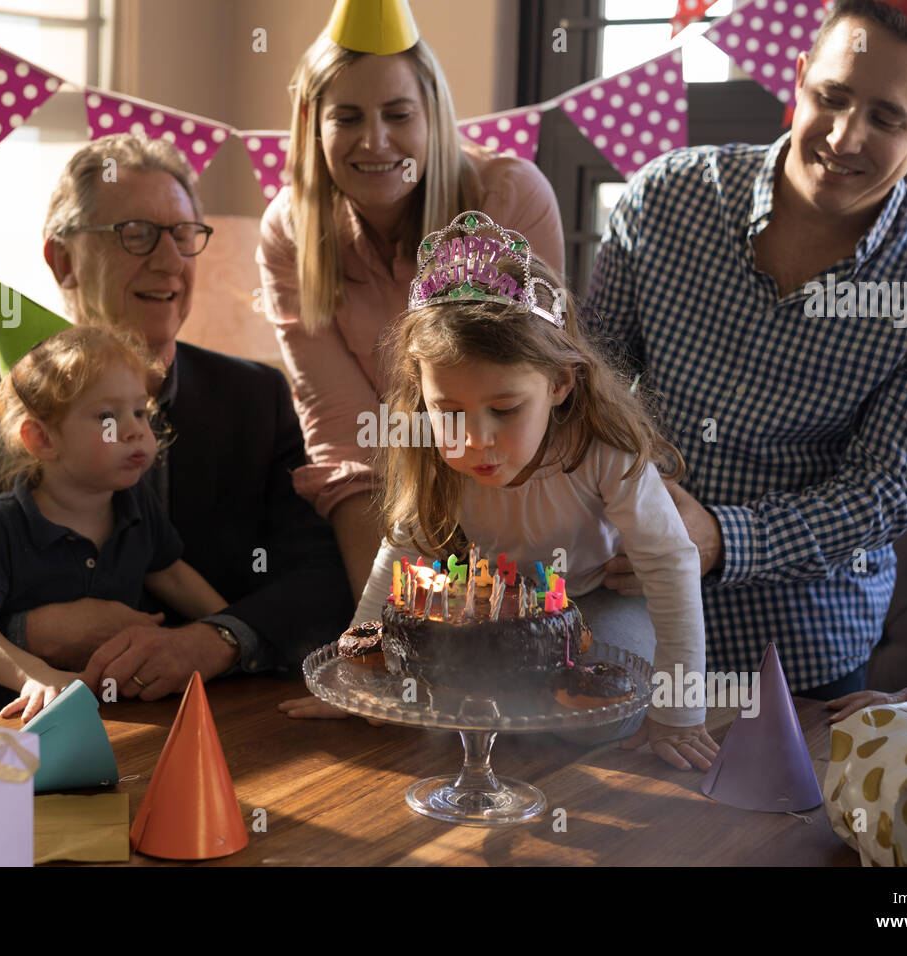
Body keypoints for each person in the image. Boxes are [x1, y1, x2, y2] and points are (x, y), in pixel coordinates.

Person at [0, 133, 352, 720]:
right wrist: (24, 634)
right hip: (41, 779)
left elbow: (324, 587)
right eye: (135, 234)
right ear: (62, 259)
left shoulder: (254, 400)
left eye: (184, 236)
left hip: (226, 751)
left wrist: (215, 638)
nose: (169, 262)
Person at [586, 0, 907, 698]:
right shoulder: (666, 198)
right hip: (619, 613)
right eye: (830, 98)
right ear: (799, 77)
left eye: (888, 119)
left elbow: (881, 494)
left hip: (795, 656)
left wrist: (721, 538)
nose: (844, 136)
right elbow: (590, 385)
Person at [285, 212, 717, 771]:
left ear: (560, 384)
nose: (476, 440)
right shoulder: (432, 456)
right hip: (495, 616)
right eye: (449, 411)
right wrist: (356, 671)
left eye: (506, 410)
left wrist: (680, 709)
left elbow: (670, 563)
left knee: (609, 715)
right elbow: (401, 553)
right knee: (409, 699)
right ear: (423, 394)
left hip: (597, 601)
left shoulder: (606, 453)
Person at [257, 17, 566, 603]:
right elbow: (345, 439)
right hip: (384, 519)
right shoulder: (290, 232)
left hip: (525, 506)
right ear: (311, 126)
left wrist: (477, 603)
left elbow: (525, 405)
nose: (374, 141)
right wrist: (390, 626)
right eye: (346, 117)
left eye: (398, 115)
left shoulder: (508, 198)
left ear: (434, 118)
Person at [0, 327, 229, 722]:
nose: (134, 430)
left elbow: (173, 577)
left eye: (139, 411)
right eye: (107, 416)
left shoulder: (136, 502)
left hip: (130, 714)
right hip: (35, 722)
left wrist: (230, 632)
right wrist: (35, 676)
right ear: (42, 439)